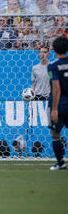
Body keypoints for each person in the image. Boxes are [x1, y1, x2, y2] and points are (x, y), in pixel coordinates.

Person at [47, 36, 68, 170]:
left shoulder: (52, 66)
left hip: (59, 105)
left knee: (55, 134)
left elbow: (56, 88)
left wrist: (54, 109)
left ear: (53, 49)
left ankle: (61, 163)